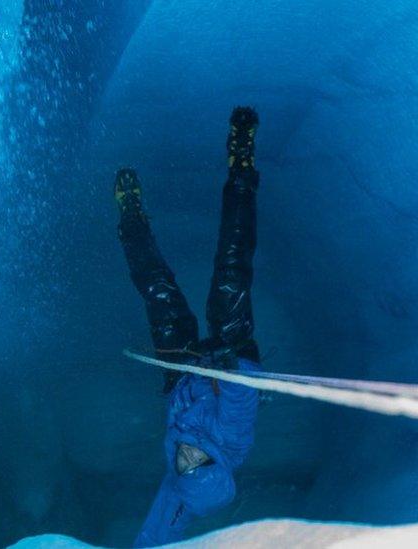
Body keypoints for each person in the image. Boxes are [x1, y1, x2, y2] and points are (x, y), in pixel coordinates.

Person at [115, 106, 263, 547]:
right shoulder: (232, 443)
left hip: (182, 374)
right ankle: (242, 164)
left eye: (183, 465)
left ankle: (131, 218)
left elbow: (161, 527)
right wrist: (229, 365)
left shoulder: (179, 486)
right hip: (229, 359)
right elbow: (243, 394)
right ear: (216, 463)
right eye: (198, 459)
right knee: (231, 267)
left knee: (157, 291)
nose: (185, 455)